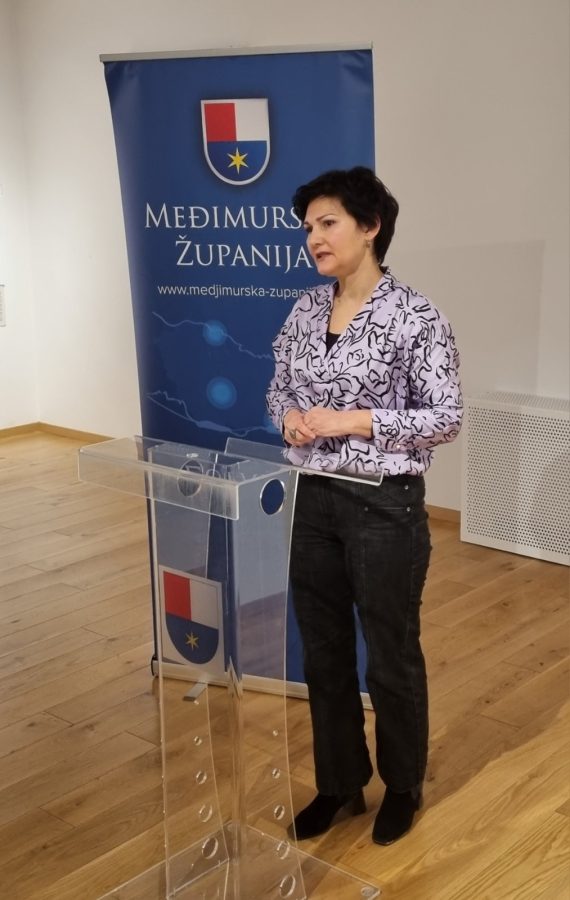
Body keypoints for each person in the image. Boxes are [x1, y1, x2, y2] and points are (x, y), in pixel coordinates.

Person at [266, 166, 462, 846]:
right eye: (308, 228)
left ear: (371, 227)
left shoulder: (416, 316)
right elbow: (278, 388)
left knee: (389, 653)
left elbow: (445, 417)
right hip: (312, 500)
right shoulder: (303, 310)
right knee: (322, 650)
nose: (314, 239)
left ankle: (402, 785)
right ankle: (340, 784)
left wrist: (352, 421)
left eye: (328, 224)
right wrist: (289, 418)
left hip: (384, 506)